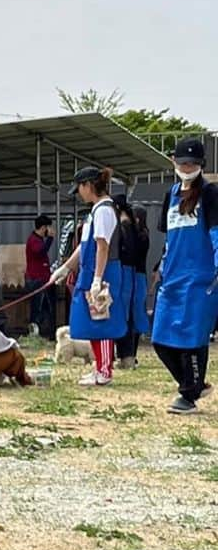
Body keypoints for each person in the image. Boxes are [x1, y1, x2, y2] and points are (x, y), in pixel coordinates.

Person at [149, 135, 218, 414]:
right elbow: (169, 239)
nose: (187, 166)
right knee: (160, 340)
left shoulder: (211, 193)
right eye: (183, 162)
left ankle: (188, 395)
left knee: (192, 339)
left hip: (200, 278)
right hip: (173, 277)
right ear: (173, 162)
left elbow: (216, 233)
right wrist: (160, 268)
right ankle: (194, 384)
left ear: (201, 164)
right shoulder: (171, 194)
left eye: (193, 163)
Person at [49, 166, 126, 386]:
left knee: (100, 321)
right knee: (88, 322)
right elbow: (85, 246)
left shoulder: (104, 210)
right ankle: (98, 368)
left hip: (102, 272)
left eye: (80, 188)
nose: (79, 193)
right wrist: (66, 268)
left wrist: (97, 279)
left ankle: (104, 370)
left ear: (88, 185)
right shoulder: (95, 211)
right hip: (90, 270)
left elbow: (102, 246)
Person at [113, 197, 144, 369]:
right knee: (127, 316)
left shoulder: (123, 226)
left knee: (122, 316)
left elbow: (126, 252)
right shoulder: (131, 225)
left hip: (124, 273)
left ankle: (125, 356)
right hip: (129, 273)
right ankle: (127, 355)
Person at [24, 215, 56, 340]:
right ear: (43, 228)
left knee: (45, 308)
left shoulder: (38, 239)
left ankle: (44, 333)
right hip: (36, 279)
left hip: (43, 278)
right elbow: (40, 252)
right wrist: (50, 239)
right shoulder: (34, 240)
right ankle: (34, 334)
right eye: (48, 227)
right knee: (37, 308)